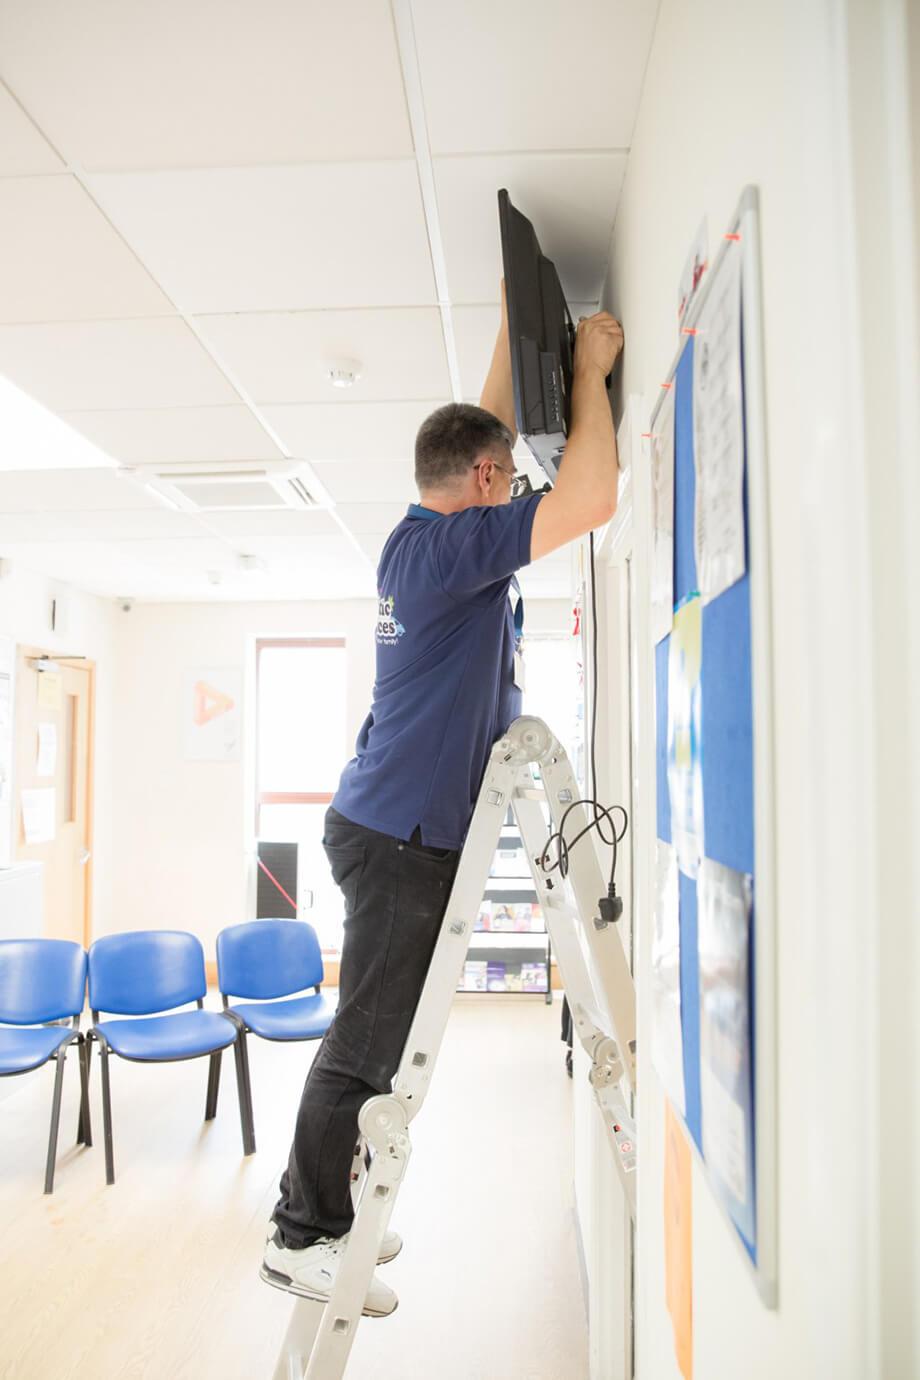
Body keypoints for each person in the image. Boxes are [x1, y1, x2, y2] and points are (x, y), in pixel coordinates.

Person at [262, 287, 624, 1316]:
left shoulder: (423, 537)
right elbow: (591, 499)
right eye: (504, 478)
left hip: (384, 822)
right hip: (395, 837)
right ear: (476, 482)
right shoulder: (454, 549)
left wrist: (519, 322)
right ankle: (303, 1233)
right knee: (367, 1042)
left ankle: (326, 1215)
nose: (515, 485)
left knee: (374, 1037)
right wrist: (590, 374)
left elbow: (484, 432)